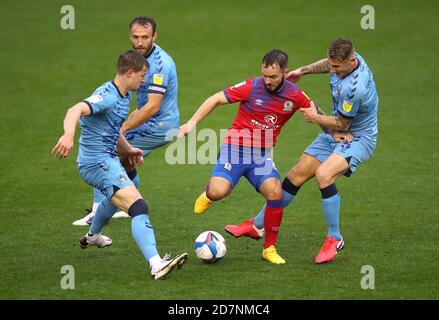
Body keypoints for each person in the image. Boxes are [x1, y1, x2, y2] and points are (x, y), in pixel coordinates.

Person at [225, 38, 379, 265]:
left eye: (336, 67)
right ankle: (257, 225)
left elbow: (343, 125)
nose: (332, 70)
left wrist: (315, 117)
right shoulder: (347, 60)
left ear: (352, 61)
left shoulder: (355, 87)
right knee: (296, 174)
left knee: (324, 175)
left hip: (357, 137)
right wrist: (302, 71)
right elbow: (327, 64)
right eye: (331, 64)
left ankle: (334, 238)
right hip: (333, 132)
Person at [52, 50, 187, 280]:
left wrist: (128, 149)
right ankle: (156, 264)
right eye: (143, 76)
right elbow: (74, 110)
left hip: (109, 158)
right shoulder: (108, 95)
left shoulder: (124, 96)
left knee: (131, 179)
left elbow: (113, 131)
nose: (144, 80)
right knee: (138, 207)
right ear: (130, 73)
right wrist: (68, 135)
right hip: (97, 164)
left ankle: (93, 235)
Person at [179, 49, 313, 264]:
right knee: (217, 191)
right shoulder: (251, 86)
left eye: (273, 77)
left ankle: (269, 248)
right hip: (235, 149)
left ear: (285, 73)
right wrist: (192, 123)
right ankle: (209, 194)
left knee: (275, 192)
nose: (268, 81)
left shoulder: (295, 95)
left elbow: (313, 110)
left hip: (260, 157)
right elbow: (215, 99)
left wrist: (334, 129)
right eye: (265, 75)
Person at [73, 16, 180, 226]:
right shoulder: (140, 60)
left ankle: (98, 210)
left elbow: (152, 107)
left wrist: (120, 127)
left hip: (160, 125)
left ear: (154, 36)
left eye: (145, 37)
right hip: (151, 121)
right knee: (125, 159)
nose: (140, 42)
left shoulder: (160, 65)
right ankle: (128, 202)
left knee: (107, 149)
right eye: (135, 37)